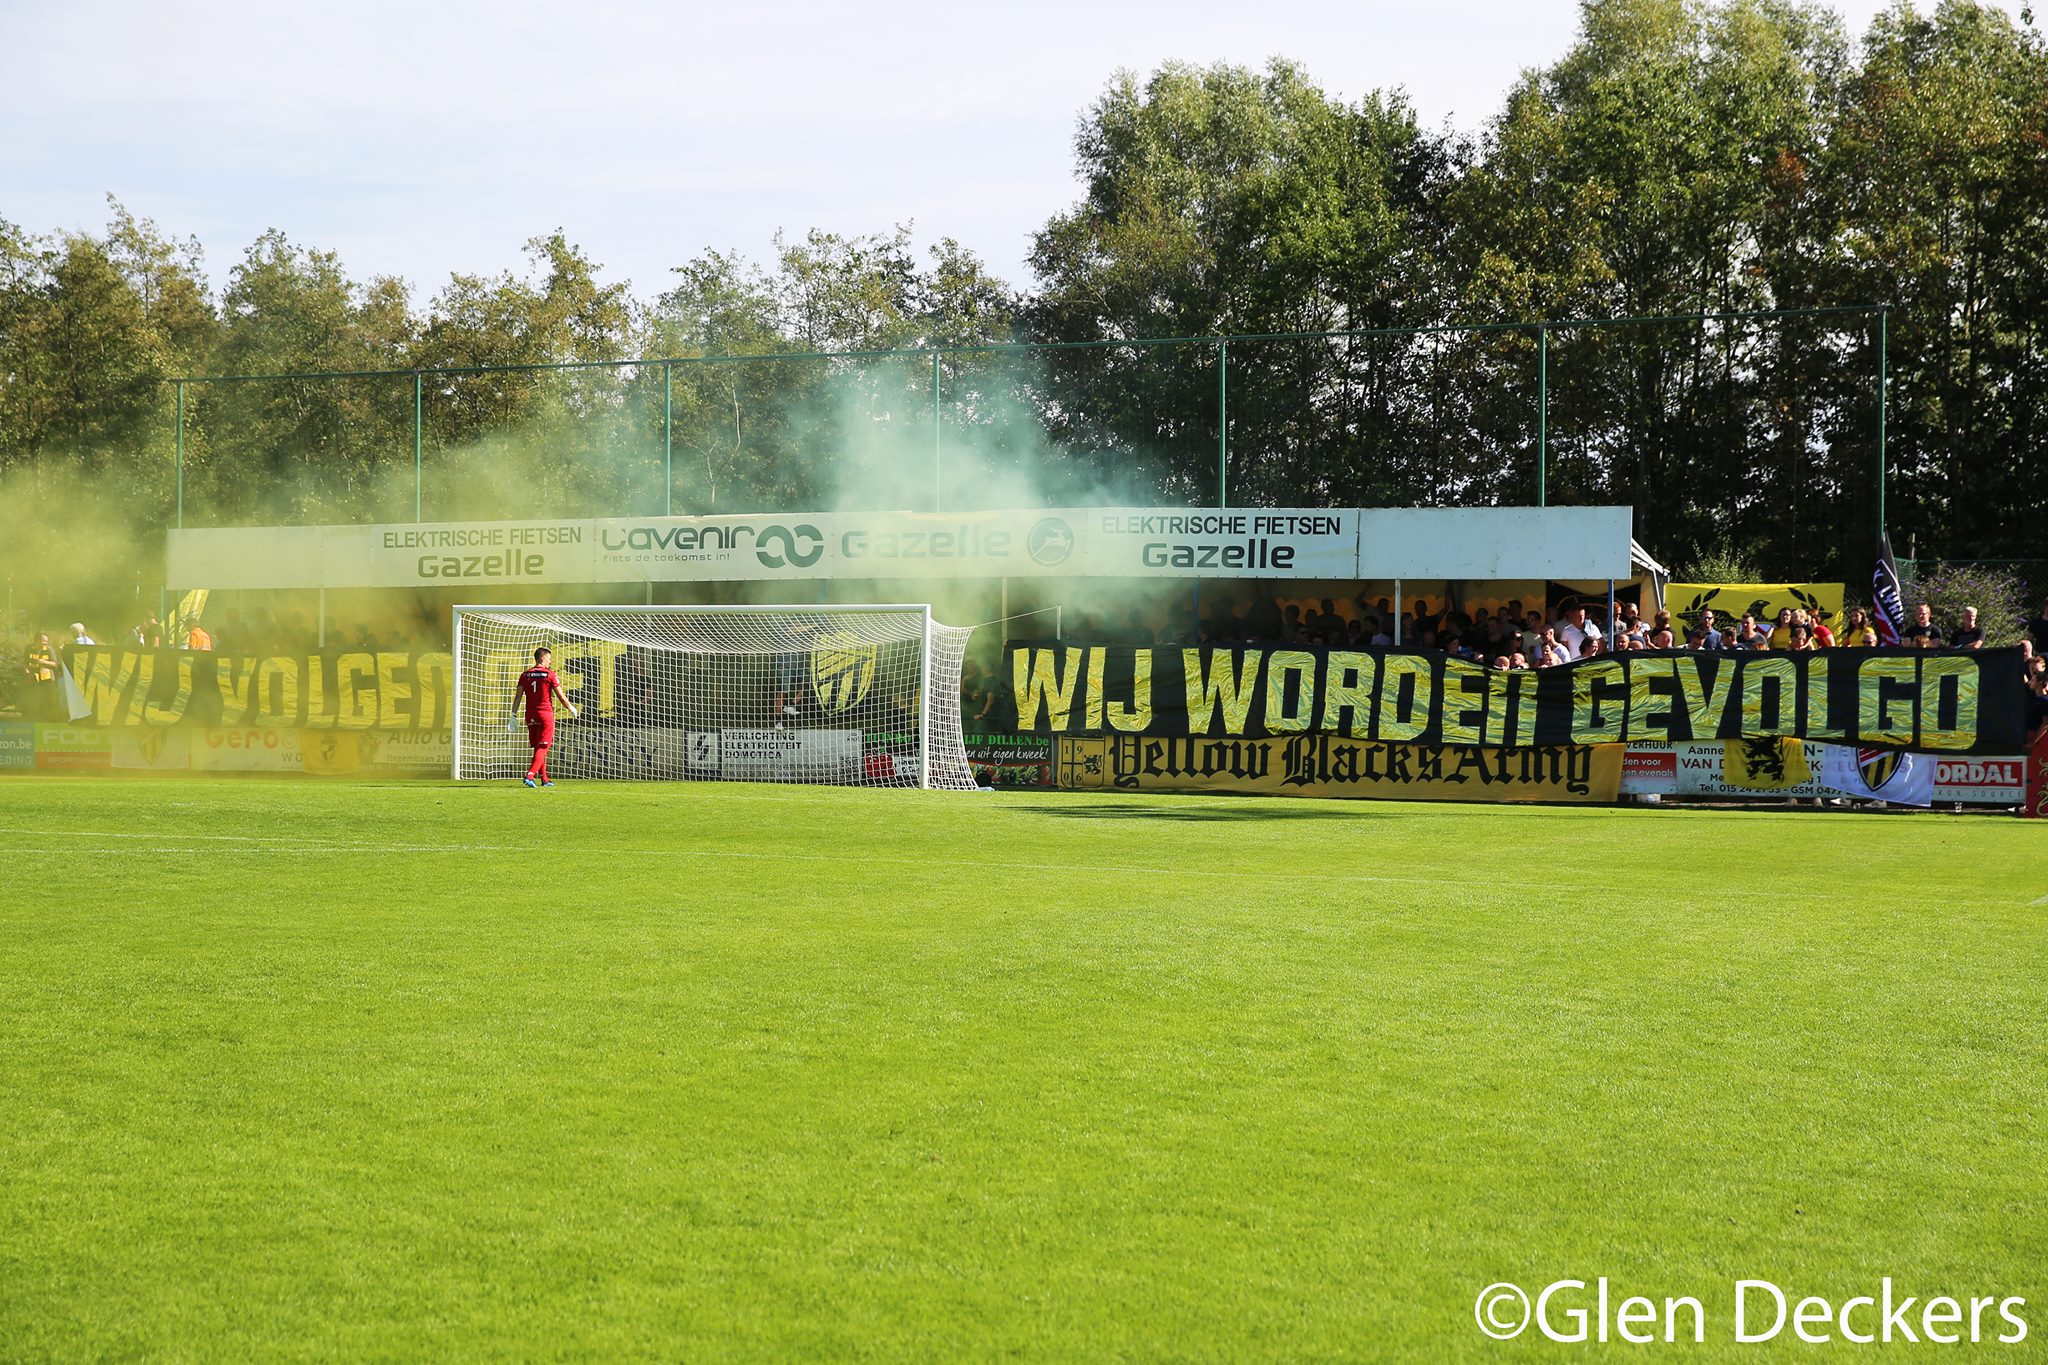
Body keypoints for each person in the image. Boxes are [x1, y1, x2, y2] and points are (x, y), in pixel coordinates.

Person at [510, 645, 578, 787]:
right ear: (542, 659)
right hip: (545, 714)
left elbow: (518, 697)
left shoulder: (525, 675)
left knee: (538, 747)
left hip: (530, 715)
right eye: (548, 659)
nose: (550, 662)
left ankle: (545, 779)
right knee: (544, 747)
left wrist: (513, 715)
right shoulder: (549, 675)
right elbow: (561, 696)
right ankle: (530, 775)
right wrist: (571, 707)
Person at [22, 632, 59, 720]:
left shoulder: (49, 649)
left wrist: (44, 662)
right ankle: (32, 718)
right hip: (33, 678)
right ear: (36, 641)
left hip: (47, 679)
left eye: (46, 641)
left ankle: (52, 720)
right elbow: (25, 662)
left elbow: (55, 664)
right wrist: (26, 671)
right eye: (43, 641)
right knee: (33, 700)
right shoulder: (28, 648)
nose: (44, 643)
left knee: (50, 701)